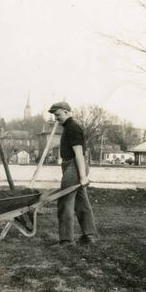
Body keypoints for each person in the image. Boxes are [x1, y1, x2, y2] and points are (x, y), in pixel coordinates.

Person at [48, 102, 96, 246]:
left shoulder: (73, 128)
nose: (56, 118)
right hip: (71, 165)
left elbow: (79, 154)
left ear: (67, 112)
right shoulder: (68, 127)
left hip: (74, 166)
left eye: (58, 115)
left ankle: (66, 240)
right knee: (81, 201)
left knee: (64, 201)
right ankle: (89, 235)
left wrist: (82, 177)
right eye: (55, 116)